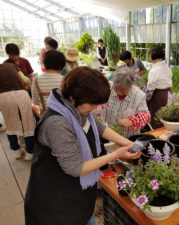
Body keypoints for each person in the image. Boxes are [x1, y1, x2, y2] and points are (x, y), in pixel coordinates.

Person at [25, 67, 141, 225]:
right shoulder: (57, 123)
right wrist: (116, 154)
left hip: (77, 196)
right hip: (56, 205)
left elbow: (98, 127)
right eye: (93, 104)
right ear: (73, 97)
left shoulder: (72, 107)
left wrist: (129, 143)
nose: (95, 108)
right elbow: (75, 168)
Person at [0, 63, 35, 160]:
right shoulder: (11, 66)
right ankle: (30, 152)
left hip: (5, 98)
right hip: (21, 95)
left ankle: (17, 151)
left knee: (10, 125)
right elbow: (26, 80)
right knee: (28, 124)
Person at [103, 67, 150, 138]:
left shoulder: (139, 96)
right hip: (108, 135)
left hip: (127, 137)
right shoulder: (107, 89)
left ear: (130, 86)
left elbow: (146, 115)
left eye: (123, 90)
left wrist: (132, 121)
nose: (119, 92)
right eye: (116, 88)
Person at [146, 45, 172, 129]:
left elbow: (150, 90)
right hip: (169, 93)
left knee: (157, 119)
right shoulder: (167, 67)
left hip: (159, 96)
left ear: (152, 56)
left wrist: (145, 101)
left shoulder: (153, 71)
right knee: (167, 117)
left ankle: (157, 138)